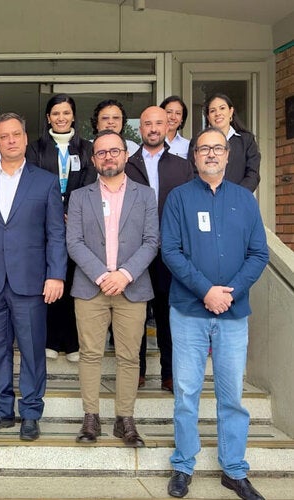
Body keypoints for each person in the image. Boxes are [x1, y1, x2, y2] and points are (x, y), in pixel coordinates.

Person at [162, 127, 268, 500]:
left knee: (231, 395)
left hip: (233, 313)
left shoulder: (245, 200)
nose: (210, 154)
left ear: (227, 156)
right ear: (194, 157)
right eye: (203, 149)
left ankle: (234, 469)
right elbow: (171, 251)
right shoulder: (178, 199)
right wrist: (206, 291)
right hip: (190, 309)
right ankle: (182, 464)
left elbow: (259, 254)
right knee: (187, 392)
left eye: (217, 149)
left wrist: (229, 293)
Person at [0, 113, 66, 441]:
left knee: (33, 348)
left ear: (25, 139)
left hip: (32, 281)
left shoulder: (45, 181)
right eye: (4, 136)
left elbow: (56, 232)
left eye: (16, 135)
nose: (10, 140)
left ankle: (31, 412)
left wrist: (56, 275)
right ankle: (1, 410)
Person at [67, 130, 158, 448]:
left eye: (114, 151)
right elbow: (73, 242)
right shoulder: (79, 197)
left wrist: (125, 274)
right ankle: (90, 417)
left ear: (125, 155)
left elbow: (151, 242)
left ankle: (125, 419)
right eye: (102, 152)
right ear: (93, 160)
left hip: (132, 288)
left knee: (129, 356)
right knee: (90, 355)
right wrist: (101, 275)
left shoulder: (145, 195)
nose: (108, 157)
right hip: (90, 287)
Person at [125, 106, 193, 392]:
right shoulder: (127, 164)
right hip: (134, 253)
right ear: (140, 129)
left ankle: (168, 373)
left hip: (169, 253)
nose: (153, 129)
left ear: (169, 127)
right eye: (147, 124)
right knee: (135, 315)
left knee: (167, 316)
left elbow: (189, 210)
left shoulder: (182, 166)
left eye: (159, 123)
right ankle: (136, 371)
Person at [26, 94, 96, 362]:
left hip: (79, 224)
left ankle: (73, 342)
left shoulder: (87, 148)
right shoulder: (35, 148)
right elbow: (33, 183)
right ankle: (51, 339)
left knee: (74, 281)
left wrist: (71, 212)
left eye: (66, 113)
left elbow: (90, 182)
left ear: (73, 116)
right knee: (52, 279)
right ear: (48, 118)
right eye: (56, 113)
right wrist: (56, 212)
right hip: (46, 224)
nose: (61, 118)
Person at [188, 93, 261, 192]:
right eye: (213, 111)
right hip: (205, 199)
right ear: (208, 117)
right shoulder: (197, 141)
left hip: (237, 201)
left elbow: (252, 174)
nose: (218, 113)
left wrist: (236, 196)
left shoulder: (246, 140)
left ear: (231, 112)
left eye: (222, 108)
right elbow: (193, 172)